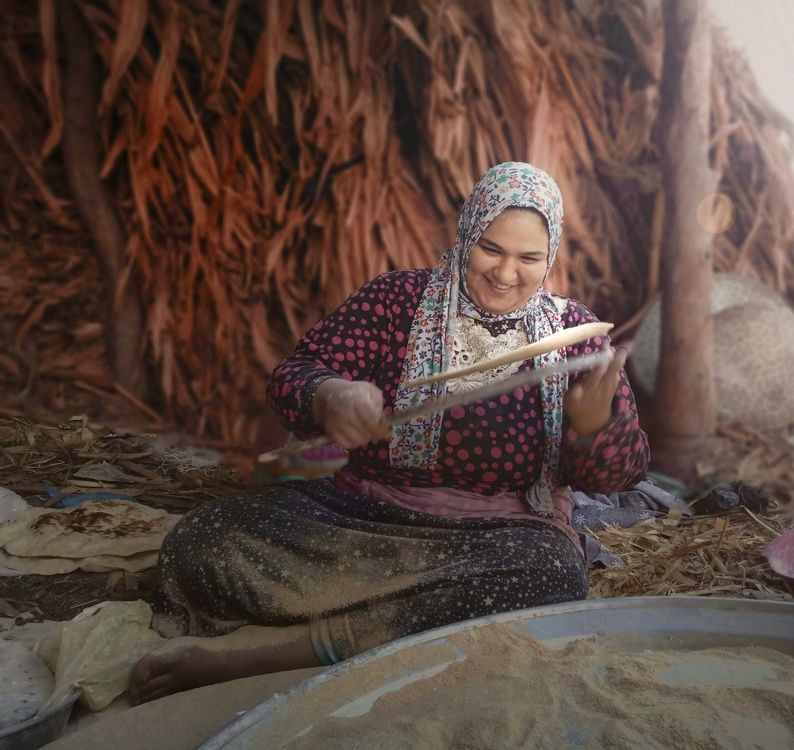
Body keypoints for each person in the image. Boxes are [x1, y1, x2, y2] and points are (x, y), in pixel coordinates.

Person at [129, 162, 649, 704]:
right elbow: (295, 375)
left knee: (551, 577)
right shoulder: (396, 302)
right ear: (467, 231)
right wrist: (329, 395)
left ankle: (286, 653)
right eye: (491, 249)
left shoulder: (574, 338)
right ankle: (402, 621)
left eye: (528, 258)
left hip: (498, 540)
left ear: (551, 257)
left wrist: (595, 428)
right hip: (361, 521)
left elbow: (623, 471)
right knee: (201, 542)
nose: (505, 273)